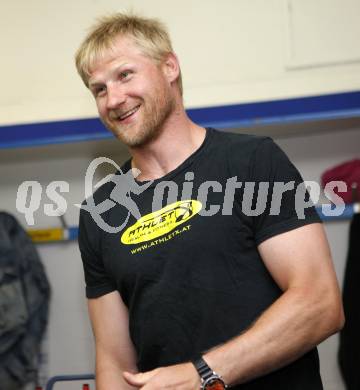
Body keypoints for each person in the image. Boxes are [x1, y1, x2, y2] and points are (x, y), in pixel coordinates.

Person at [75, 12, 344, 390]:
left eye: (124, 75)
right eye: (98, 89)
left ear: (169, 67)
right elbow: (114, 359)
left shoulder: (253, 162)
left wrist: (203, 374)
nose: (114, 99)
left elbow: (320, 303)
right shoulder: (98, 213)